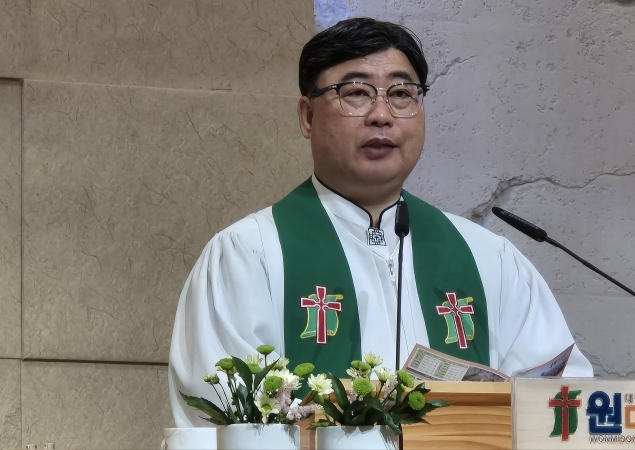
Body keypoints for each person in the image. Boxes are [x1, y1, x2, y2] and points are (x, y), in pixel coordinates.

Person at [168, 17, 593, 427]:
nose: (381, 115)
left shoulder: (488, 258)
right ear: (308, 117)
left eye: (402, 94)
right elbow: (221, 418)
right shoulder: (249, 254)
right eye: (356, 92)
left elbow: (560, 401)